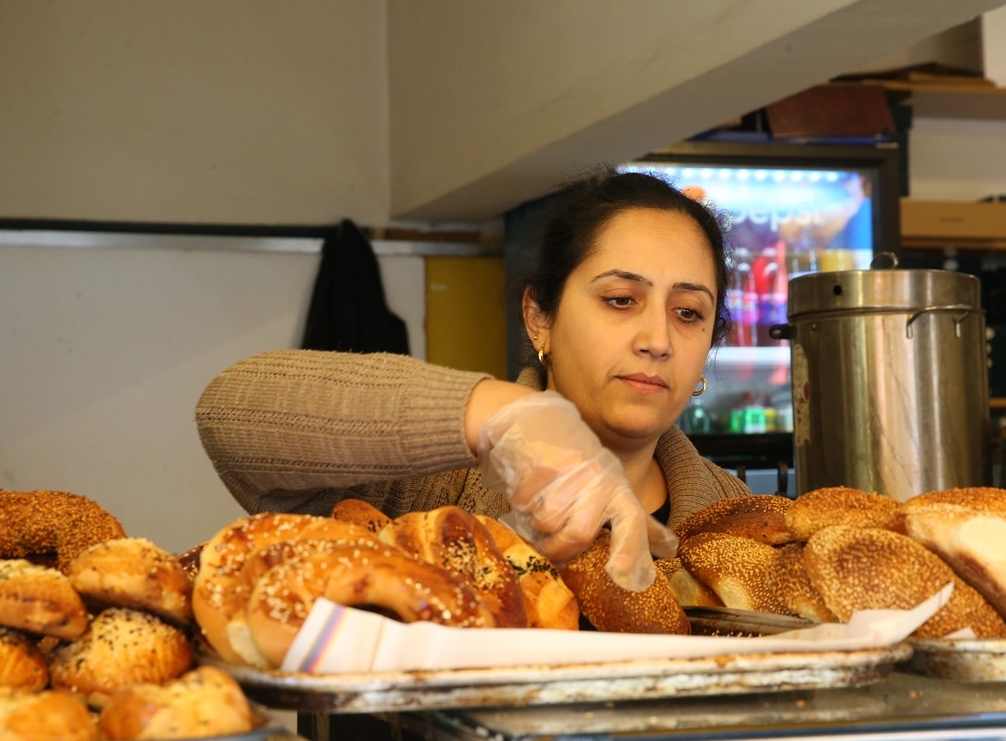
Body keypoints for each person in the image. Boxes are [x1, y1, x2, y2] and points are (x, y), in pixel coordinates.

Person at [195, 169, 752, 591]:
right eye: (620, 300)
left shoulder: (737, 519)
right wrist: (503, 416)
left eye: (688, 313)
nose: (657, 338)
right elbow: (230, 412)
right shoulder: (434, 485)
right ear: (540, 318)